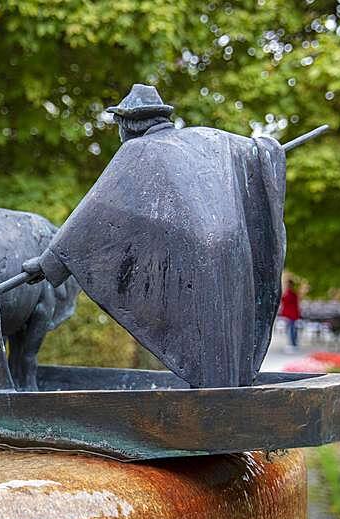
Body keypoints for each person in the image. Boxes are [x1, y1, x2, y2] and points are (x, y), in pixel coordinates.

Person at [25, 84, 288, 388]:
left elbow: (93, 212)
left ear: (128, 124)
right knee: (225, 341)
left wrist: (48, 264)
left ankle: (216, 408)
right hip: (234, 250)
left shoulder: (137, 150)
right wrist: (271, 151)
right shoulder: (207, 137)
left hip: (195, 261)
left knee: (206, 343)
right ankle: (228, 396)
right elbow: (260, 150)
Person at [279, 280, 301, 352]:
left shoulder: (290, 293)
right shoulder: (292, 293)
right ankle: (293, 343)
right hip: (292, 315)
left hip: (291, 315)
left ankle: (292, 344)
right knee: (292, 329)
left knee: (291, 330)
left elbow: (285, 301)